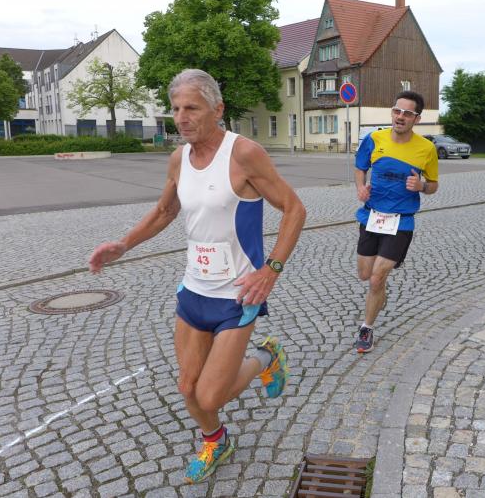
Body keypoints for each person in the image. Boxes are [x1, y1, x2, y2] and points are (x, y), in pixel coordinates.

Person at [88, 69, 306, 484]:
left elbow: (294, 209)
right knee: (188, 388)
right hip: (194, 290)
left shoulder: (244, 154)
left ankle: (266, 357)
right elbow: (165, 211)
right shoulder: (179, 159)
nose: (181, 118)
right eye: (175, 109)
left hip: (237, 295)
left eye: (191, 107)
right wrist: (124, 244)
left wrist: (271, 270)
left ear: (217, 109)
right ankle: (216, 441)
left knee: (210, 394)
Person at [353, 90, 439, 353]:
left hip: (401, 221)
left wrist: (421, 186)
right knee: (365, 274)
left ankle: (367, 328)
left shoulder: (427, 149)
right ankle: (380, 295)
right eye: (397, 111)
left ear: (417, 119)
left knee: (376, 278)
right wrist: (361, 188)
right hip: (372, 216)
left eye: (407, 113)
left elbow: (433, 185)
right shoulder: (374, 139)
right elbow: (360, 167)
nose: (400, 117)